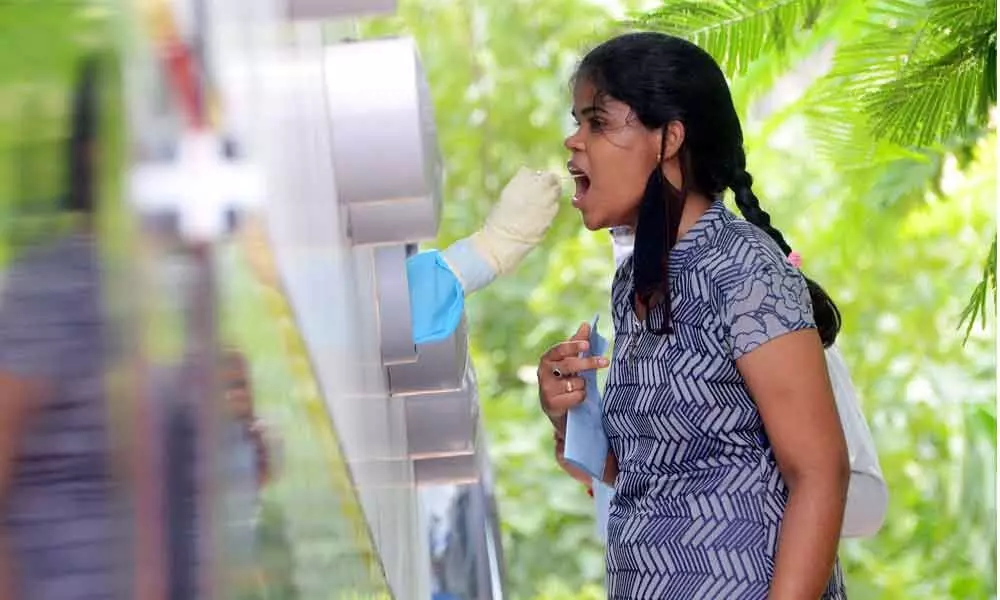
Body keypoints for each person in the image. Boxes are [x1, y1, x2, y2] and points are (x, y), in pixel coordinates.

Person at [537, 32, 850, 599]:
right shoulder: (636, 280)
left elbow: (821, 473)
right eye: (577, 122)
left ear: (668, 140)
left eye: (597, 122)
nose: (573, 140)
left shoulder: (744, 266)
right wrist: (568, 416)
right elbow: (646, 476)